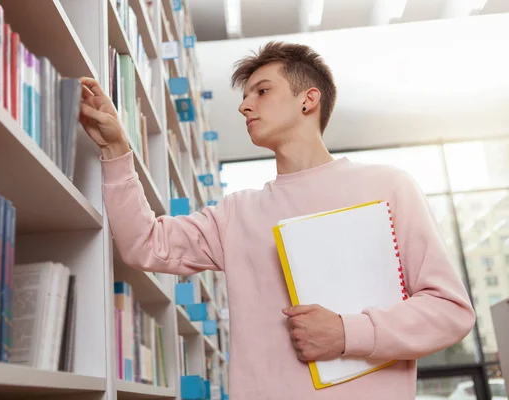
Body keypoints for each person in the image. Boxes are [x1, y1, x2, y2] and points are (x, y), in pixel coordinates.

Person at [79, 41, 475, 399]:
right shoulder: (237, 212)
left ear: (308, 100)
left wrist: (346, 332)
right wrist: (117, 150)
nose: (244, 105)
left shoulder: (389, 187)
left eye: (262, 91)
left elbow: (450, 311)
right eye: (246, 95)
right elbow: (144, 244)